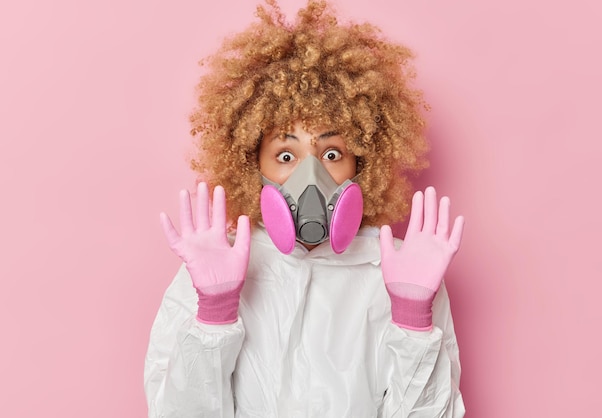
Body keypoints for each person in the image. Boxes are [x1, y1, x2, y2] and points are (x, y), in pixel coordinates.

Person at [144, 1, 466, 417]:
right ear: (250, 163)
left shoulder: (404, 275)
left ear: (362, 166)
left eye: (332, 153)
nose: (310, 176)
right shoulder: (212, 270)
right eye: (284, 156)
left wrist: (412, 320)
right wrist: (215, 313)